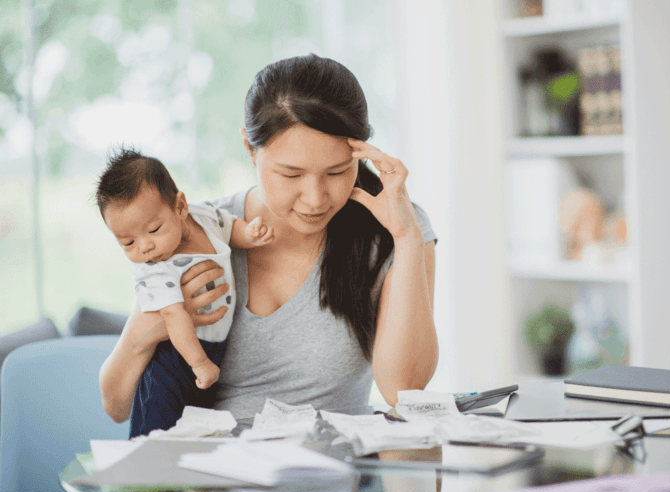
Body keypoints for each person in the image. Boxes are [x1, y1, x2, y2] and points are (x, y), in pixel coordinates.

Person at [99, 54, 438, 430]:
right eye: (291, 174)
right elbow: (116, 406)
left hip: (332, 476)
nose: (316, 198)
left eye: (338, 171)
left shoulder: (394, 227)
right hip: (212, 476)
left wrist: (407, 240)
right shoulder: (198, 232)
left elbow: (404, 389)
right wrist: (146, 331)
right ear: (249, 148)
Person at [95, 148, 275, 437]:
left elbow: (228, 228)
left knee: (194, 428)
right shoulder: (156, 269)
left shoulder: (203, 216)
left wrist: (250, 235)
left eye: (154, 229)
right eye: (127, 243)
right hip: (174, 357)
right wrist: (200, 363)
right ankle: (148, 474)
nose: (145, 247)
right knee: (158, 430)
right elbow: (174, 316)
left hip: (211, 348)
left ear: (180, 207)